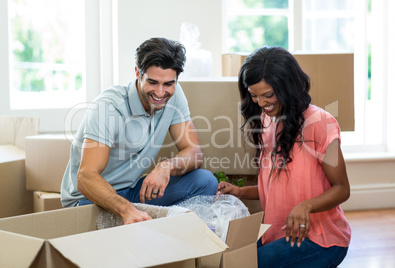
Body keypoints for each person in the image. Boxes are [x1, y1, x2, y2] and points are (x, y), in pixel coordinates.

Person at [217, 46, 351, 267]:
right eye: (254, 95)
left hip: (320, 240)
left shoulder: (321, 123)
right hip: (279, 234)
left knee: (247, 264)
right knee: (231, 258)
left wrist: (306, 206)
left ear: (288, 86)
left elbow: (342, 188)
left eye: (268, 95)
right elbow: (277, 189)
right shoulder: (266, 120)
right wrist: (240, 191)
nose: (260, 103)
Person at [61, 37, 218, 224]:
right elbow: (86, 178)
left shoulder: (174, 96)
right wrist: (127, 210)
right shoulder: (108, 107)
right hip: (90, 198)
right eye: (152, 82)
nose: (160, 93)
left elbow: (195, 153)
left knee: (205, 181)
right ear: (138, 73)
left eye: (168, 84)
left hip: (131, 190)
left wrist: (166, 166)